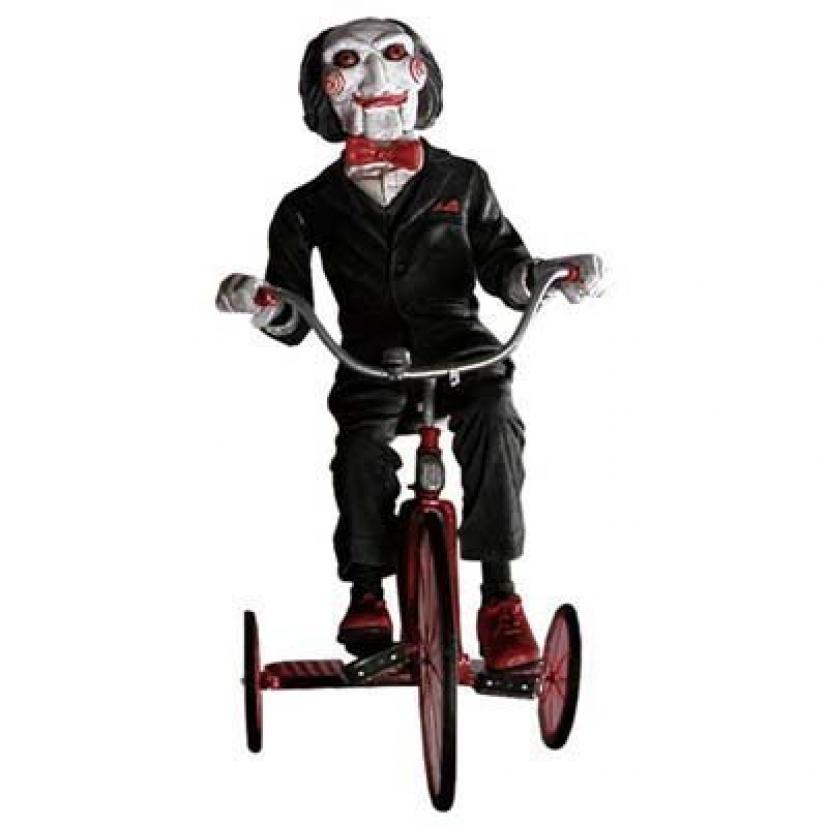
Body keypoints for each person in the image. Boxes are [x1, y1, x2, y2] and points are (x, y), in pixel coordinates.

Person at [217, 17, 597, 671]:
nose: (375, 76)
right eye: (349, 62)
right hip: (369, 357)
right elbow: (295, 313)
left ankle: (500, 595)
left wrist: (547, 276)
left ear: (423, 75)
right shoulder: (306, 205)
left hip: (462, 348)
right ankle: (367, 586)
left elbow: (504, 266)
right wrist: (265, 305)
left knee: (495, 418)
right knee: (359, 448)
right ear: (323, 90)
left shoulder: (464, 180)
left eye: (394, 55)